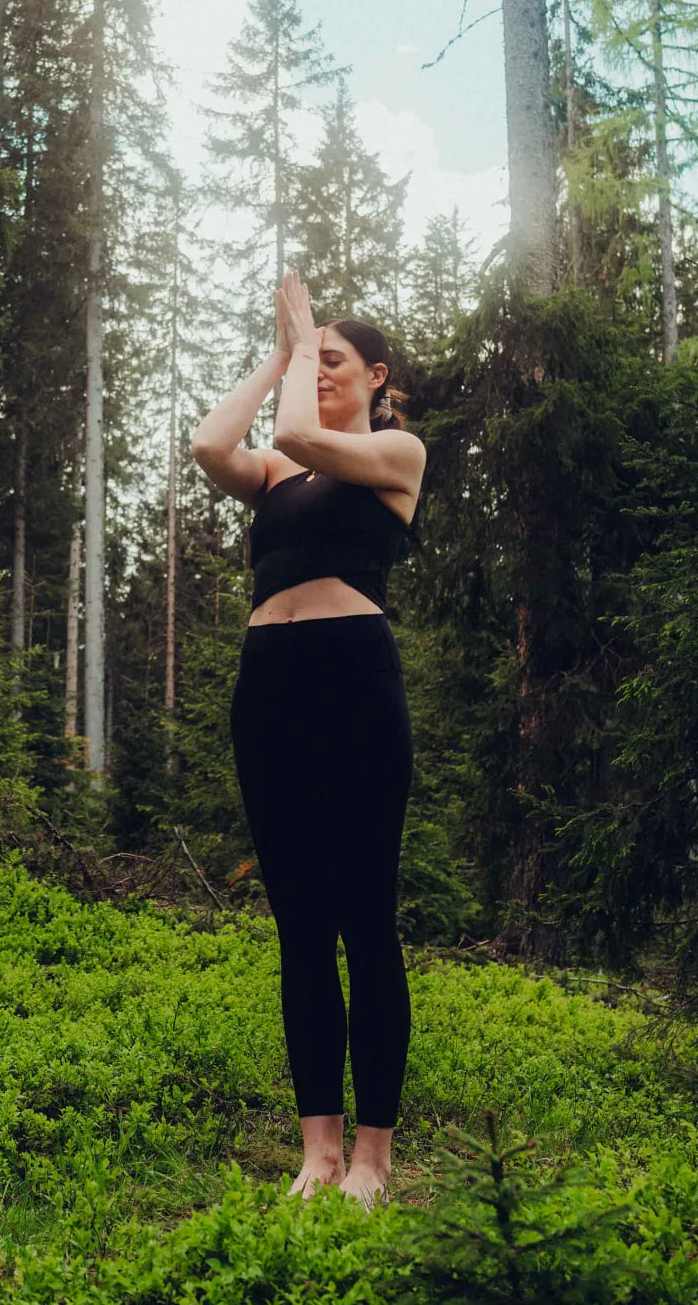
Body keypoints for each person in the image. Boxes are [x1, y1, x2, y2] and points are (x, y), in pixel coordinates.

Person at [188, 269, 423, 1204]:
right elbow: (212, 443)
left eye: (332, 361)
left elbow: (295, 431)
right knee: (300, 931)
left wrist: (298, 343)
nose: (316, 372)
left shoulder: (396, 454)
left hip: (356, 682)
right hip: (271, 691)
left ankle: (373, 1157)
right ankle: (317, 1152)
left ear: (376, 376)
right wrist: (280, 351)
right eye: (309, 361)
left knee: (365, 921)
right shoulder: (279, 477)